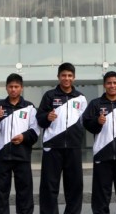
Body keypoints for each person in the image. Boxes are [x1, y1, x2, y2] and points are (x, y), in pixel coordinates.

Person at [36, 62, 88, 214]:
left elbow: (85, 121)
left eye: (70, 75)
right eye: (64, 75)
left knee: (74, 186)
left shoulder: (81, 98)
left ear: (74, 77)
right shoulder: (49, 96)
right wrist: (47, 116)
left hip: (73, 147)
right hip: (52, 147)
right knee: (49, 186)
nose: (67, 78)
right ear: (58, 77)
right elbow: (39, 118)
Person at [82, 71, 116, 214]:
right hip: (102, 155)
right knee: (101, 195)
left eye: (115, 83)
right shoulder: (95, 104)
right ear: (105, 85)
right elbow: (86, 123)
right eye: (109, 83)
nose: (112, 86)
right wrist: (97, 122)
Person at [0, 73, 40, 214]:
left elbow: (35, 131)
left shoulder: (29, 107)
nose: (13, 89)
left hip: (22, 156)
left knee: (25, 193)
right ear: (6, 88)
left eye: (16, 86)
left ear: (21, 88)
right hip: (2, 156)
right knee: (1, 193)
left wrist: (24, 137)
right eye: (10, 87)